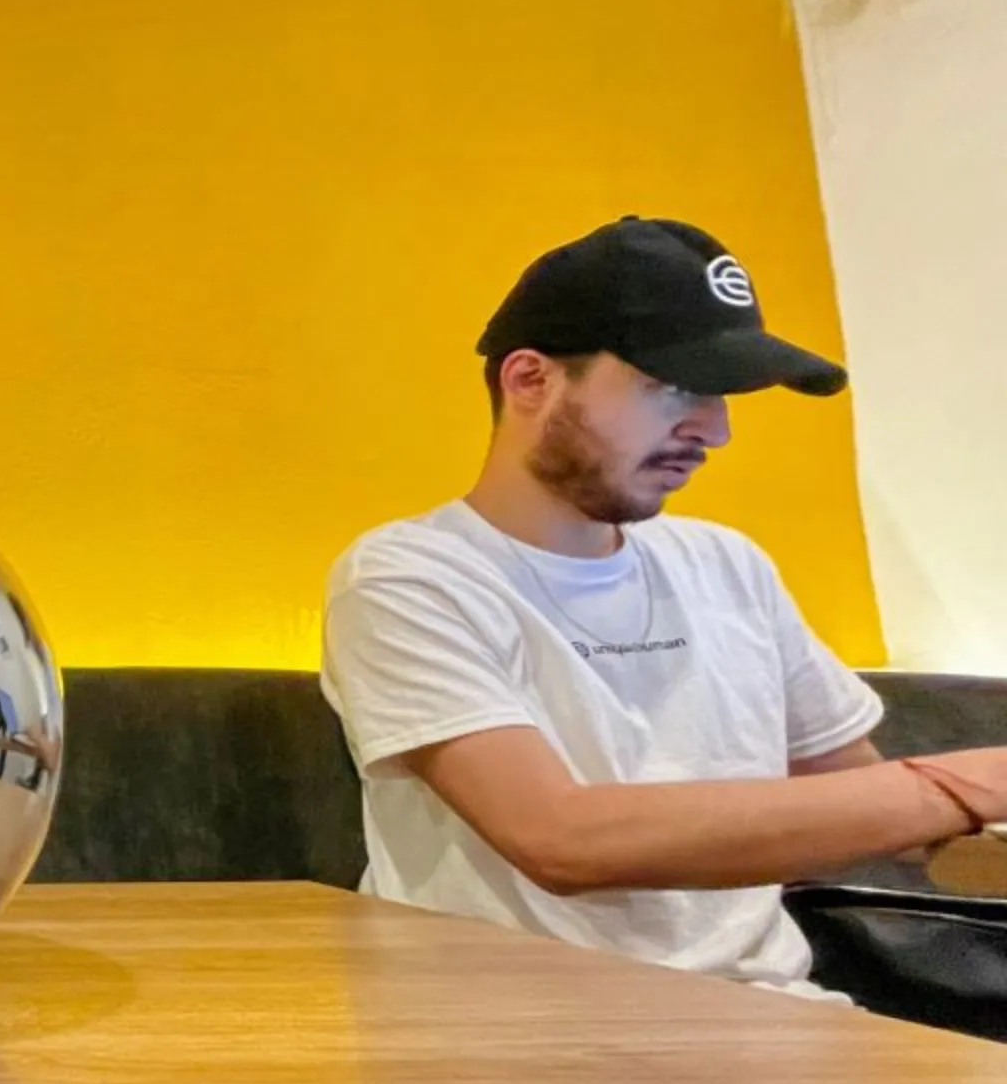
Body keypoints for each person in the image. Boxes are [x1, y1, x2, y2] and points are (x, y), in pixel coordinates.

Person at [318, 216, 1007, 997]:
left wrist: (959, 810)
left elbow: (883, 817)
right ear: (530, 380)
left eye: (720, 396)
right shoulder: (409, 578)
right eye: (674, 388)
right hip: (525, 1047)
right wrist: (974, 776)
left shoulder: (727, 565)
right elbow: (561, 841)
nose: (714, 430)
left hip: (781, 1023)